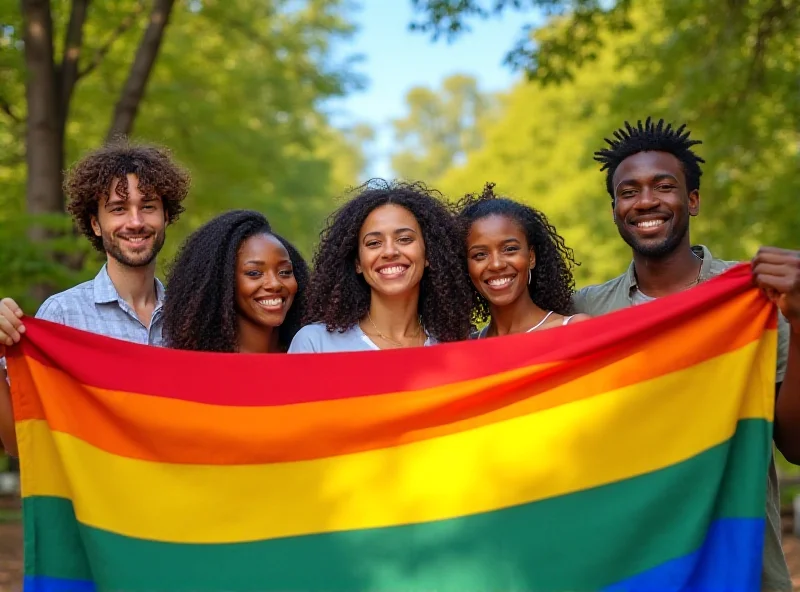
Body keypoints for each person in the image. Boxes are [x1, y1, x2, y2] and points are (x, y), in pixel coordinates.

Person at [572, 117, 800, 592]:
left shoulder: (757, 299)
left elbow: (796, 446)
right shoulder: (584, 313)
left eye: (664, 186)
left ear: (692, 200)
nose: (646, 201)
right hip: (627, 570)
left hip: (740, 571)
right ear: (614, 209)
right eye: (628, 191)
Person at [0, 141, 191, 456]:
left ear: (166, 215)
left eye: (148, 206)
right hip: (94, 505)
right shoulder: (62, 315)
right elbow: (17, 444)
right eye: (118, 208)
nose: (135, 221)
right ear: (95, 224)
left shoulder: (190, 318)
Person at [288, 179, 473, 353]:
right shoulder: (315, 344)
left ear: (428, 254)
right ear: (358, 263)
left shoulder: (455, 347)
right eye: (374, 243)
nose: (389, 252)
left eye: (404, 239)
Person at [162, 210, 308, 353]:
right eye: (254, 273)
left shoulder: (310, 354)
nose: (275, 284)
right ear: (221, 282)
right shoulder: (191, 366)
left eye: (285, 272)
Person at [456, 182, 590, 338]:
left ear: (531, 257)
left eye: (510, 249)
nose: (496, 264)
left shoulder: (573, 329)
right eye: (480, 255)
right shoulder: (469, 347)